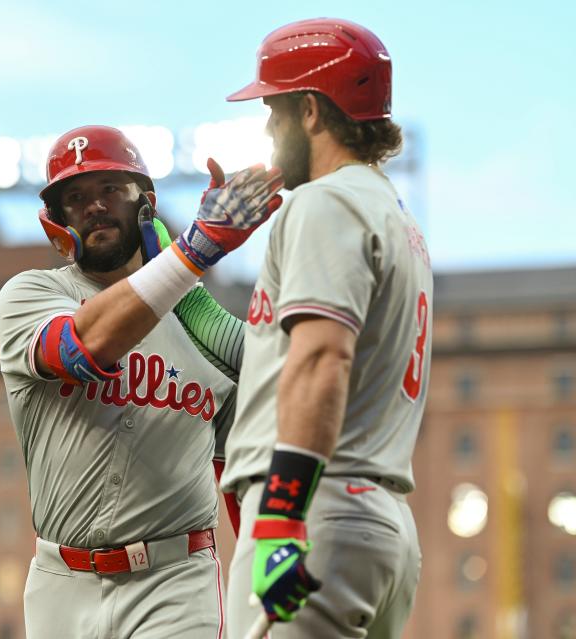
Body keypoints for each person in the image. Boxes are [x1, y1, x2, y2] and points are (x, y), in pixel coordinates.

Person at [0, 124, 283, 638]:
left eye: (111, 189)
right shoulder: (30, 295)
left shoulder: (205, 330)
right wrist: (193, 253)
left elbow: (243, 473)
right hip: (61, 582)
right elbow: (83, 347)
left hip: (175, 581)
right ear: (57, 219)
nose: (95, 206)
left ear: (145, 205)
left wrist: (266, 586)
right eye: (76, 196)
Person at [218, 18, 433, 639]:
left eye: (274, 109)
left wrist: (282, 517)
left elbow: (321, 359)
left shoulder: (325, 202)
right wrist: (182, 266)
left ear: (311, 111)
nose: (267, 126)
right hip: (375, 516)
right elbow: (273, 354)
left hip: (316, 507)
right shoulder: (392, 214)